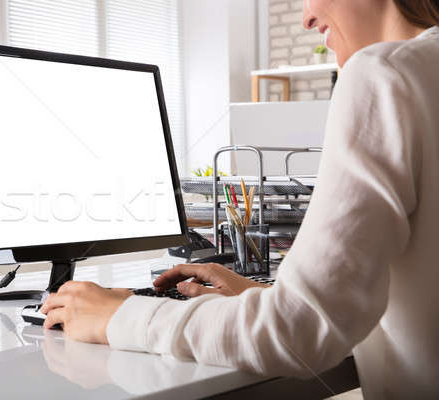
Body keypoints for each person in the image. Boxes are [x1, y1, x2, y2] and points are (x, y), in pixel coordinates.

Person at [40, 1, 439, 398]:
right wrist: (264, 299)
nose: (306, 17)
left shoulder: (384, 72)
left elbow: (300, 334)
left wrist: (120, 317)